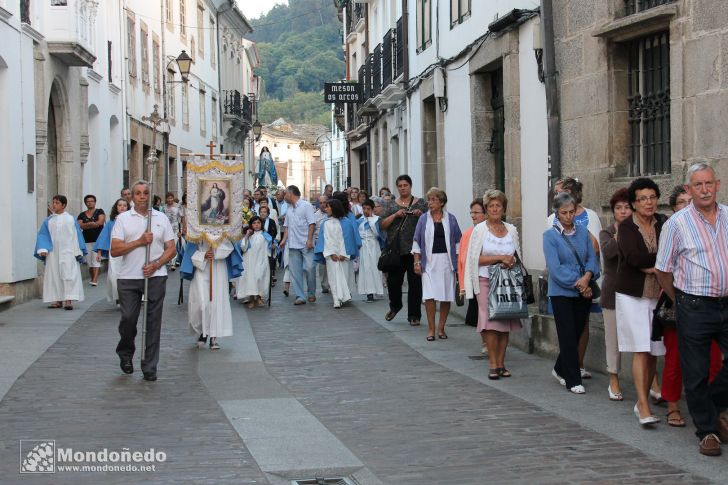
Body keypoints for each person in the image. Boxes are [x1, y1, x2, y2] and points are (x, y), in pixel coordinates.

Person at [656, 162, 728, 456]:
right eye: (697, 185)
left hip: (727, 302)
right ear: (688, 189)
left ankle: (710, 404)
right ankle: (708, 431)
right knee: (696, 371)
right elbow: (663, 270)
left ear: (718, 184)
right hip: (694, 305)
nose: (704, 189)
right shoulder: (677, 223)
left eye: (708, 183)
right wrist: (680, 299)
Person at [111, 181, 176, 382]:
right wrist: (140, 241)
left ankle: (149, 365)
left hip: (155, 276)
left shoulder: (161, 218)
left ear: (150, 196)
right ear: (132, 196)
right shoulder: (123, 219)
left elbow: (171, 248)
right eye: (137, 193)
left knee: (153, 322)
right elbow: (115, 250)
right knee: (129, 318)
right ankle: (125, 351)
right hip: (129, 277)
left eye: (145, 193)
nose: (141, 196)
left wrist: (156, 264)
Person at [614, 177, 667, 425]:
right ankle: (643, 406)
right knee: (641, 348)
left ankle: (643, 398)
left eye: (652, 197)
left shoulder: (664, 223)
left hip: (659, 294)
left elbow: (672, 253)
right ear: (634, 203)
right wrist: (658, 264)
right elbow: (633, 258)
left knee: (655, 349)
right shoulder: (626, 227)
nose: (648, 202)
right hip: (632, 295)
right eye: (643, 198)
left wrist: (653, 266)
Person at [543, 192, 600, 394]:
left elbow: (592, 259)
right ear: (556, 214)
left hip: (583, 290)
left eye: (571, 212)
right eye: (563, 213)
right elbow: (555, 269)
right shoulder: (550, 236)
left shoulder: (583, 232)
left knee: (576, 333)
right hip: (561, 292)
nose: (568, 216)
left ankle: (560, 368)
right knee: (567, 334)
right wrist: (580, 283)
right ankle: (572, 379)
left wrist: (587, 278)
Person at [463, 191, 521, 378]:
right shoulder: (480, 230)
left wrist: (511, 261)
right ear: (486, 209)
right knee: (489, 322)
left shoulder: (511, 229)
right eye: (491, 206)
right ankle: (493, 364)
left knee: (505, 320)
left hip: (507, 282)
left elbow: (518, 256)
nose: (495, 209)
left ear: (503, 208)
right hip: (485, 280)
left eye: (498, 206)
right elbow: (474, 259)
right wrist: (499, 258)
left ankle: (502, 364)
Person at [412, 187, 462, 341]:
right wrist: (416, 261)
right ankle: (431, 329)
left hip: (447, 262)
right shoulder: (423, 219)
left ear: (441, 202)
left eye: (433, 199)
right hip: (429, 261)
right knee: (429, 296)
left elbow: (458, 242)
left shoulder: (451, 219)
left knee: (446, 295)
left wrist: (459, 263)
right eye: (429, 199)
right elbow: (416, 241)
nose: (430, 203)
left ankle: (441, 328)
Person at [380, 175, 427, 325]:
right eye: (400, 185)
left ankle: (414, 315)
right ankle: (395, 306)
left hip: (414, 250)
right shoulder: (391, 205)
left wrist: (422, 215)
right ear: (397, 187)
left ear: (410, 186)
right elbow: (382, 225)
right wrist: (395, 215)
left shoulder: (421, 203)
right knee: (394, 282)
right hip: (396, 250)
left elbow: (430, 222)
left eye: (405, 185)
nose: (403, 188)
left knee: (415, 284)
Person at [599, 188, 632, 401]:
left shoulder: (641, 230)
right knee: (613, 339)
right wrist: (621, 232)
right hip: (612, 292)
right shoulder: (608, 232)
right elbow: (609, 252)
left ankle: (651, 381)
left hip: (634, 292)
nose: (623, 211)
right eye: (619, 208)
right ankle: (613, 378)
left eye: (627, 207)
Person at [182, 236, 243, 351]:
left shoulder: (224, 230)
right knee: (201, 303)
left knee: (216, 302)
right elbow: (190, 250)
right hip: (201, 268)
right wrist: (203, 255)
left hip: (218, 267)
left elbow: (229, 247)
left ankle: (213, 336)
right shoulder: (197, 230)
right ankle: (202, 331)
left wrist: (216, 252)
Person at [35, 195, 87, 310]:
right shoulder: (49, 220)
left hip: (68, 252)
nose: (54, 205)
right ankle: (57, 300)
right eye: (53, 202)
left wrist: (77, 252)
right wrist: (43, 249)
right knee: (54, 274)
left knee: (68, 275)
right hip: (53, 253)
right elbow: (43, 235)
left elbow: (76, 236)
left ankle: (68, 300)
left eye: (57, 203)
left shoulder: (70, 219)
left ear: (64, 205)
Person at [315, 199, 360, 308]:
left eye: (328, 207)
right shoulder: (325, 223)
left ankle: (343, 296)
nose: (326, 209)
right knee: (332, 277)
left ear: (334, 208)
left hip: (343, 255)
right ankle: (336, 299)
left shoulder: (347, 222)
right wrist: (331, 253)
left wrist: (344, 254)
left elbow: (348, 239)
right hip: (331, 255)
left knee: (343, 276)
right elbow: (325, 239)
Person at [458, 199, 487, 351]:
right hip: (474, 279)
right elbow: (462, 258)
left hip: (490, 276)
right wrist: (462, 281)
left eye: (476, 212)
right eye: (472, 212)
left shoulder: (490, 231)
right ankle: (485, 342)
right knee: (480, 312)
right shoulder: (468, 233)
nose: (473, 216)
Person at [279, 185, 316, 305]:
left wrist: (309, 239)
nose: (284, 196)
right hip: (293, 244)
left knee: (310, 268)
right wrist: (284, 240)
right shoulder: (289, 209)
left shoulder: (306, 206)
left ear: (291, 194)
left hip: (306, 243)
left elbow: (312, 224)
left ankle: (311, 292)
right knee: (295, 272)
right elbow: (287, 227)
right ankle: (300, 296)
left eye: (285, 194)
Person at [94, 198, 129, 304]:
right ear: (116, 207)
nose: (122, 207)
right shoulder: (111, 223)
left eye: (124, 205)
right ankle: (118, 297)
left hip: (128, 252)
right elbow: (104, 237)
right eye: (120, 205)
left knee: (129, 275)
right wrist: (99, 252)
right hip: (115, 253)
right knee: (114, 276)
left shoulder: (131, 221)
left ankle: (129, 297)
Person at [237, 216, 273, 308]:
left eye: (258, 223)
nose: (256, 225)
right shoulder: (249, 235)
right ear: (251, 225)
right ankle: (252, 299)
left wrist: (272, 247)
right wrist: (246, 236)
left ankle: (259, 297)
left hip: (261, 260)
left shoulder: (265, 235)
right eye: (254, 223)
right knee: (251, 279)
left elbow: (271, 247)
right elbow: (243, 247)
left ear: (261, 224)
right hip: (249, 261)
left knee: (260, 277)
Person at [358, 199, 386, 302]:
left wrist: (370, 220)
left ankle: (377, 290)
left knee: (375, 267)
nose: (366, 210)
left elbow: (377, 234)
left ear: (372, 209)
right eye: (364, 208)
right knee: (366, 269)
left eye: (368, 209)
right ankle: (369, 293)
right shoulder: (359, 220)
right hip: (363, 246)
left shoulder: (377, 220)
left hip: (374, 245)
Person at [77, 194, 105, 286]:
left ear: (95, 202)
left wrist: (87, 225)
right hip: (86, 240)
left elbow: (100, 222)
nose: (90, 203)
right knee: (89, 261)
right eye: (88, 201)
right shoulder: (82, 214)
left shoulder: (99, 211)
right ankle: (92, 278)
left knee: (96, 260)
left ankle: (95, 280)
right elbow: (80, 225)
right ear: (85, 203)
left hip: (98, 240)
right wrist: (93, 224)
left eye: (91, 201)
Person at [314, 196, 330, 293]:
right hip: (319, 241)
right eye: (321, 203)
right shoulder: (315, 215)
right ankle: (324, 285)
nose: (323, 204)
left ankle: (331, 283)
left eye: (325, 202)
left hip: (330, 241)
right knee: (322, 264)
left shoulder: (331, 214)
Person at [162, 192, 180, 271]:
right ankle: (169, 260)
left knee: (174, 245)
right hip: (166, 229)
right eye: (168, 198)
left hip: (175, 229)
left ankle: (173, 263)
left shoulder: (177, 206)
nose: (170, 199)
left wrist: (181, 230)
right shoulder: (164, 207)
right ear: (166, 199)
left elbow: (180, 219)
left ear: (173, 198)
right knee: (167, 246)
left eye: (171, 198)